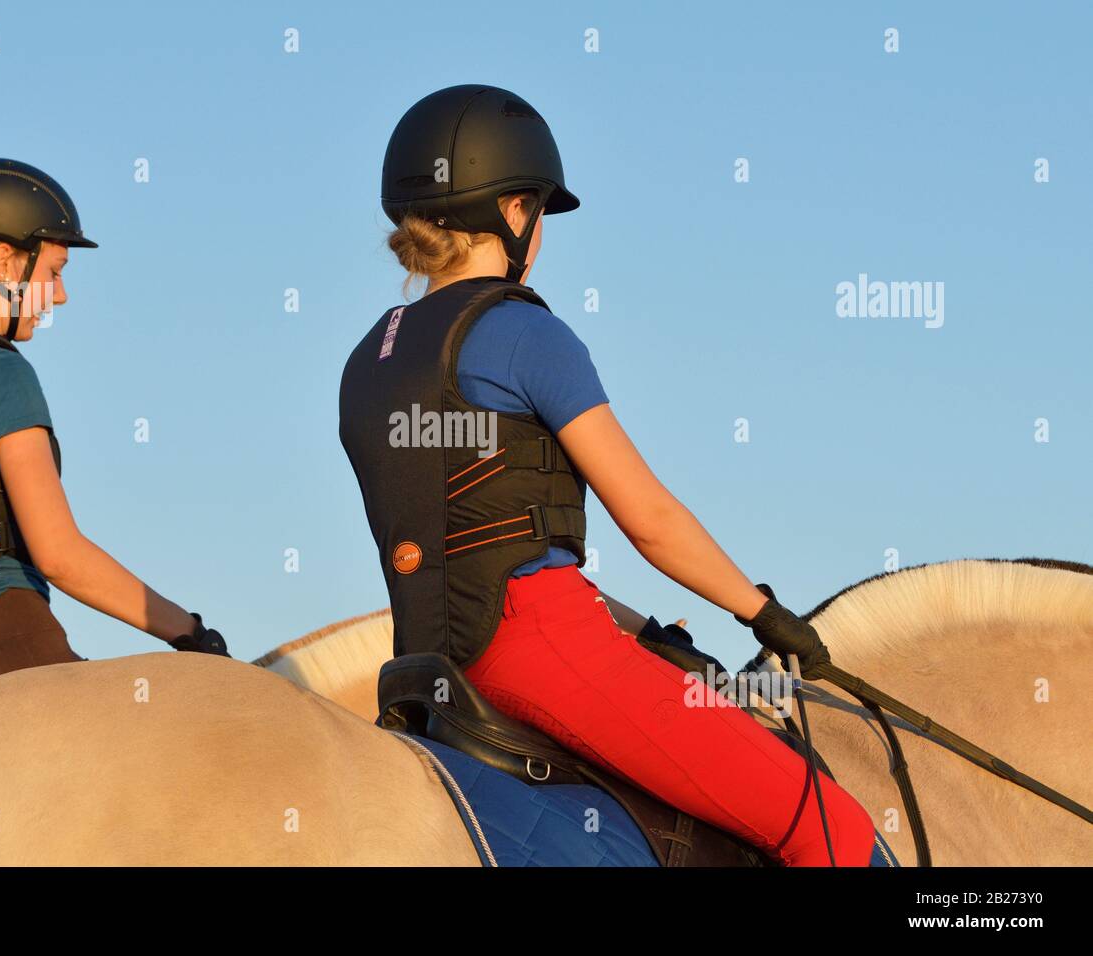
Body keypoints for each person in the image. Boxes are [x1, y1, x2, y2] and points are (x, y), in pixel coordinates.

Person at [338, 86, 881, 866]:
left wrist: (643, 630)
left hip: (432, 665)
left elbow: (488, 544)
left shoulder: (368, 363)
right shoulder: (523, 330)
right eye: (541, 214)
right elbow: (650, 521)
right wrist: (762, 614)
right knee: (825, 822)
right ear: (517, 210)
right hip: (544, 654)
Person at [0, 158, 227, 692]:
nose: (59, 296)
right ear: (6, 261)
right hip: (13, 650)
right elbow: (59, 554)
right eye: (54, 272)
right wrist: (190, 633)